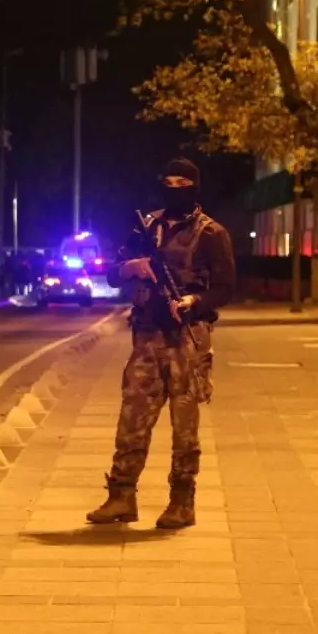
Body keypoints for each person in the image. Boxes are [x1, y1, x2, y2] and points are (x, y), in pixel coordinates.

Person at [87, 159, 235, 530]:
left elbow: (225, 287)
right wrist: (132, 267)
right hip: (147, 337)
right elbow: (111, 272)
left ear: (195, 187)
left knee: (184, 425)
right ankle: (121, 495)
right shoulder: (146, 226)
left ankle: (182, 501)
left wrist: (193, 302)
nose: (174, 188)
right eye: (167, 182)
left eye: (182, 182)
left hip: (188, 338)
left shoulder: (211, 233)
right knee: (132, 417)